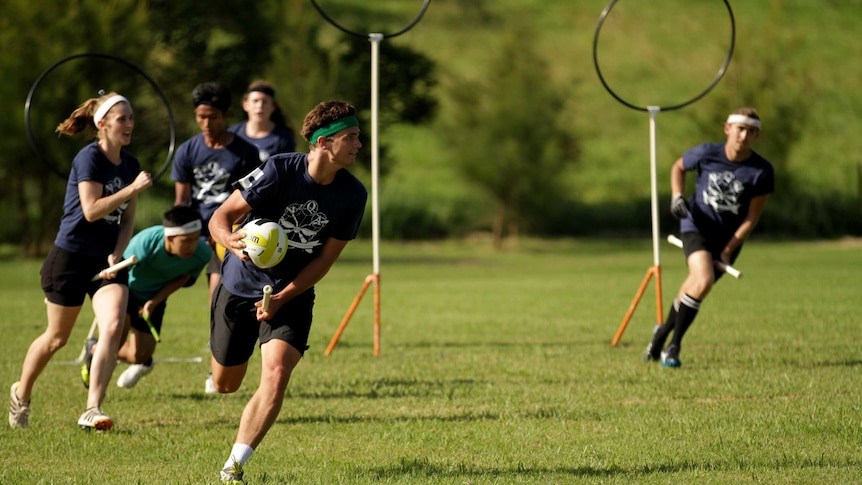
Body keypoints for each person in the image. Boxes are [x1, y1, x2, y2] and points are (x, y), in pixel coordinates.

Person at [208, 100, 367, 483]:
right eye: (351, 137)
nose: (359, 144)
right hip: (239, 286)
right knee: (226, 383)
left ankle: (234, 466)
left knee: (277, 373)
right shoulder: (279, 169)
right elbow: (221, 216)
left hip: (291, 294)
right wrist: (229, 241)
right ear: (324, 143)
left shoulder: (353, 194)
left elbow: (324, 260)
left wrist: (283, 296)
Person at [9, 92, 152, 431]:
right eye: (122, 119)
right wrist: (131, 190)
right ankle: (21, 394)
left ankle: (92, 408)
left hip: (105, 262)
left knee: (114, 327)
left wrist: (119, 249)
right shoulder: (89, 158)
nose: (129, 124)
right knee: (57, 338)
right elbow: (91, 211)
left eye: (132, 118)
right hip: (70, 258)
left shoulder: (130, 164)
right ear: (102, 125)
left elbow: (127, 219)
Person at [644, 107, 775, 368]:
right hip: (695, 226)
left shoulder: (761, 171)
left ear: (756, 136)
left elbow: (751, 217)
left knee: (693, 287)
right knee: (703, 281)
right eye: (740, 129)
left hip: (728, 238)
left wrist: (728, 249)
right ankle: (674, 347)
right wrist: (677, 196)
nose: (744, 136)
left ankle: (660, 334)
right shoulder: (706, 153)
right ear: (727, 129)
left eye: (751, 131)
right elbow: (678, 167)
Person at [171, 81, 260, 301]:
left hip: (230, 230)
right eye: (201, 117)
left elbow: (250, 201)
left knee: (218, 294)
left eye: (213, 117)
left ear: (226, 114)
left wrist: (220, 231)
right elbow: (181, 202)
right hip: (195, 232)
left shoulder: (246, 153)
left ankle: (216, 336)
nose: (206, 123)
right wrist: (187, 233)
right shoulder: (187, 151)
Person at [111, 205, 212, 388]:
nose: (193, 245)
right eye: (187, 240)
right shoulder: (145, 242)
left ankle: (95, 348)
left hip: (155, 296)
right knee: (116, 337)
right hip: (127, 289)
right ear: (170, 237)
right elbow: (119, 271)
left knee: (140, 356)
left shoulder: (202, 254)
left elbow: (185, 277)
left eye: (196, 239)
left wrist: (154, 302)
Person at [229, 80, 296, 163]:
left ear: (273, 106)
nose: (260, 106)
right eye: (255, 101)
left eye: (265, 102)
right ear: (246, 105)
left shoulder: (284, 139)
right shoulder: (232, 134)